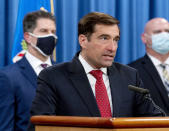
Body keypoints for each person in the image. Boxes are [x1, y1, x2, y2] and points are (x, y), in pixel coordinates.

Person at [30, 12, 162, 122]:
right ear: (83, 41)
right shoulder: (53, 77)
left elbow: (155, 121)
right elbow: (41, 126)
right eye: (104, 38)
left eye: (116, 40)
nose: (112, 48)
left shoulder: (130, 76)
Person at [0, 10, 57, 131]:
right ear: (28, 37)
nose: (51, 36)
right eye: (44, 31)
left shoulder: (64, 73)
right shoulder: (8, 77)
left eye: (53, 32)